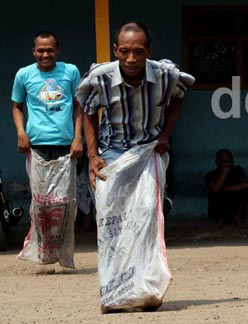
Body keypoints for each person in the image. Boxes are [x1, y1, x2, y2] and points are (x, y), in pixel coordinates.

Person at [75, 21, 195, 312]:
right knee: (113, 225)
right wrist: (92, 156)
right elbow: (88, 111)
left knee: (145, 222)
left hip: (148, 152)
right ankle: (114, 295)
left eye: (138, 52)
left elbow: (180, 97)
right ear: (115, 50)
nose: (131, 59)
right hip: (111, 155)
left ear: (148, 52)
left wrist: (166, 135)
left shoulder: (166, 75)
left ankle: (145, 291)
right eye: (124, 52)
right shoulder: (100, 77)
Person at [11, 30, 83, 269]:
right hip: (36, 147)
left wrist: (77, 138)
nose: (45, 54)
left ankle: (64, 256)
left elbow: (78, 106)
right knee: (41, 204)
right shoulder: (24, 75)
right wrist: (22, 133)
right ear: (34, 52)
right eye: (40, 50)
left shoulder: (70, 72)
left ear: (57, 51)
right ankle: (44, 253)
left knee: (65, 204)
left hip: (65, 147)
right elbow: (17, 107)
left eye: (50, 50)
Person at [205, 149, 248, 229]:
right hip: (218, 212)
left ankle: (237, 218)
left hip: (236, 210)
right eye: (225, 162)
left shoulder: (238, 170)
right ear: (217, 162)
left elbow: (245, 185)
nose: (228, 164)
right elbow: (216, 189)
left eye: (230, 162)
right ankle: (221, 219)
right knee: (215, 192)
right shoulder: (210, 175)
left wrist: (224, 189)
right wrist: (225, 172)